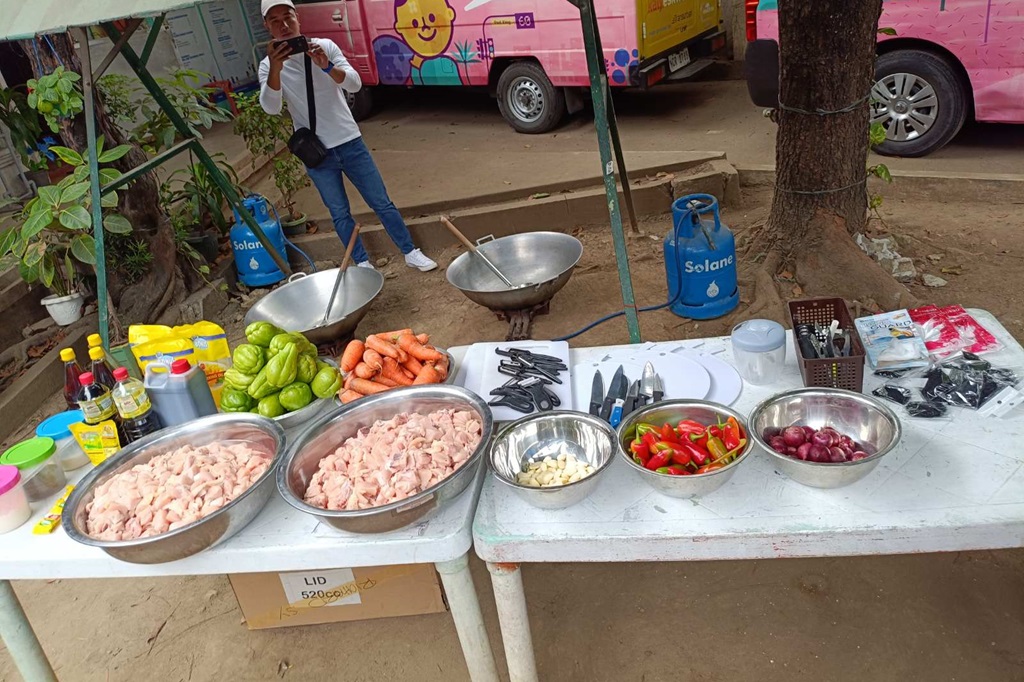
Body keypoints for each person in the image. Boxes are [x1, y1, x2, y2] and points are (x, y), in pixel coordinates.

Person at [258, 0, 437, 272]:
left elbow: (354, 82)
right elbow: (270, 108)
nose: (283, 25)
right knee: (339, 213)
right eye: (275, 20)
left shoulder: (324, 47)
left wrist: (327, 66)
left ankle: (410, 251)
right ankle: (362, 262)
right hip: (317, 153)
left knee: (381, 201)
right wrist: (275, 68)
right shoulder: (268, 66)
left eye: (288, 17)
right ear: (266, 26)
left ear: (298, 19)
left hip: (350, 142)